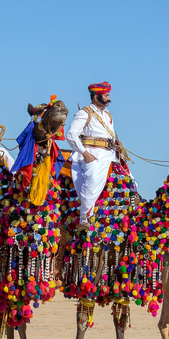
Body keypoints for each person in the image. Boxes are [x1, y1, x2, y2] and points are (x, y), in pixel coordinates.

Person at [66, 82, 122, 231]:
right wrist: (85, 153)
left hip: (110, 155)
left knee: (131, 183)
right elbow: (71, 134)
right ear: (96, 96)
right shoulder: (85, 113)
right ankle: (84, 218)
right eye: (106, 95)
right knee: (92, 181)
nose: (109, 98)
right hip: (93, 155)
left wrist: (116, 145)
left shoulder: (107, 115)